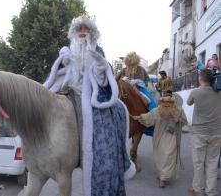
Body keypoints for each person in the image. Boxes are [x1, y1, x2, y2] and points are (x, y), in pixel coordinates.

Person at [44, 15, 135, 196]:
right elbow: (62, 74)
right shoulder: (69, 51)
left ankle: (107, 168)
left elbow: (103, 79)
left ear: (92, 32)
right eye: (80, 29)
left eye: (86, 29)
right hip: (70, 91)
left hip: (92, 95)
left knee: (107, 121)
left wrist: (101, 69)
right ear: (74, 32)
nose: (83, 32)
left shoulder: (97, 50)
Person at [133, 90, 187, 188]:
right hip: (159, 135)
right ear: (162, 101)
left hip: (172, 136)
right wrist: (138, 117)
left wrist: (178, 120)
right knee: (161, 156)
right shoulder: (158, 109)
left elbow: (184, 121)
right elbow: (149, 117)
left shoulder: (178, 110)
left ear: (172, 100)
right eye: (165, 102)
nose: (166, 104)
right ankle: (163, 175)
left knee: (169, 156)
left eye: (169, 102)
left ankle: (163, 178)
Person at [187, 70, 221, 196]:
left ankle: (198, 189)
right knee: (212, 163)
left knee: (198, 162)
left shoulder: (195, 92)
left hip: (199, 133)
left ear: (200, 78)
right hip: (217, 133)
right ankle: (211, 191)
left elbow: (189, 102)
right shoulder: (219, 93)